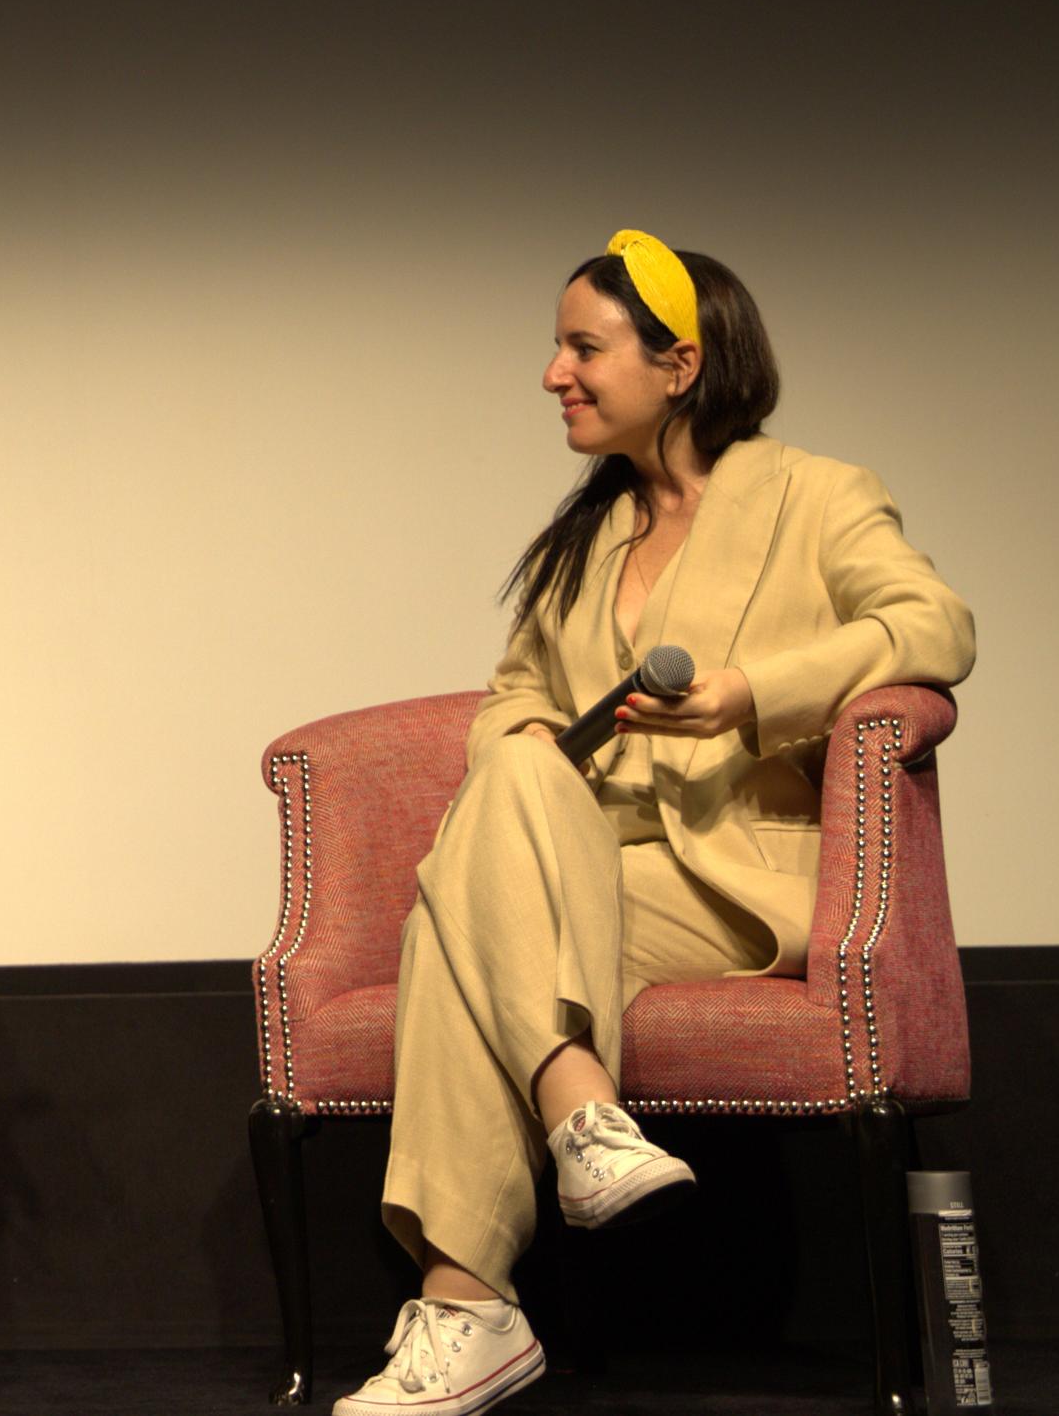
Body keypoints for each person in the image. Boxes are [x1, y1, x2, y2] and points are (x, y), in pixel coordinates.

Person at [337, 233, 978, 1416]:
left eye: (584, 347)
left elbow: (934, 629)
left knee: (450, 922)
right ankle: (575, 1124)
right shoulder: (586, 538)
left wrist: (748, 694)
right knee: (517, 777)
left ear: (680, 363)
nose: (553, 374)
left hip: (734, 880)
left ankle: (467, 1303)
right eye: (558, 347)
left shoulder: (816, 496)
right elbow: (514, 700)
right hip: (583, 869)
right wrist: (531, 754)